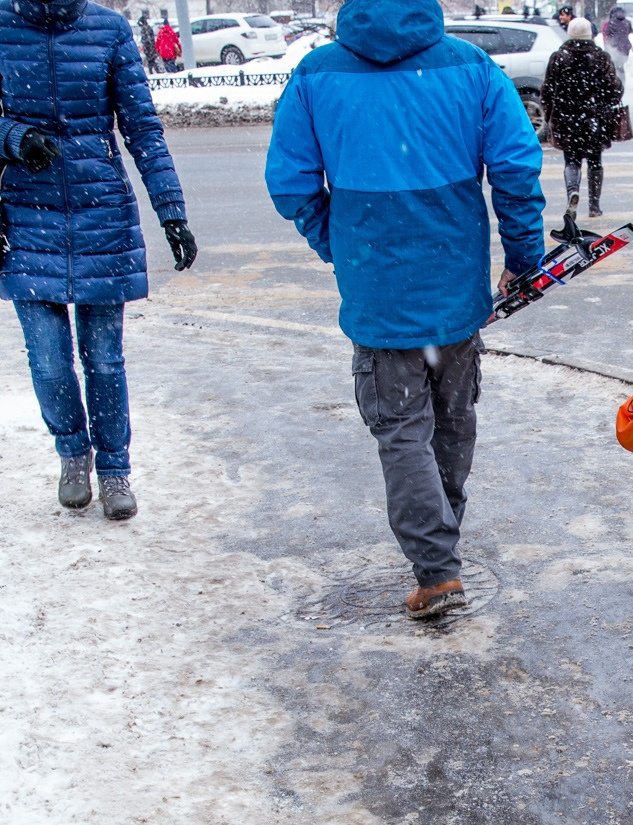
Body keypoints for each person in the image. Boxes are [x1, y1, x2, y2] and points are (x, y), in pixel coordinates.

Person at [265, 0, 544, 620]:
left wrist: (336, 244)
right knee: (451, 420)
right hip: (455, 285)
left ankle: (437, 567)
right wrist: (524, 256)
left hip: (378, 291)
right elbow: (516, 169)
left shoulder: (316, 75)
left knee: (401, 431)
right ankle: (442, 540)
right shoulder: (471, 68)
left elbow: (291, 182)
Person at [0, 0, 196, 521]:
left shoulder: (107, 29)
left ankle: (114, 470)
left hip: (101, 212)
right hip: (25, 212)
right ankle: (72, 455)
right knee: (49, 361)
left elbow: (141, 128)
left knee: (105, 360)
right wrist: (13, 137)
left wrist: (171, 212)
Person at [543, 17, 624, 219]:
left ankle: (573, 192)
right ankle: (594, 206)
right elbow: (614, 90)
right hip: (594, 118)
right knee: (595, 161)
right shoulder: (601, 57)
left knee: (571, 160)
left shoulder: (558, 57)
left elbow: (547, 90)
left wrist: (550, 115)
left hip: (567, 119)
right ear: (590, 34)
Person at [601, 3, 633, 78]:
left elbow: (607, 34)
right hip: (625, 48)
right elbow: (629, 31)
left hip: (614, 47)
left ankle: (615, 83)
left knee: (613, 67)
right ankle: (622, 83)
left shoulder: (611, 23)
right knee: (621, 66)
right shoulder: (627, 22)